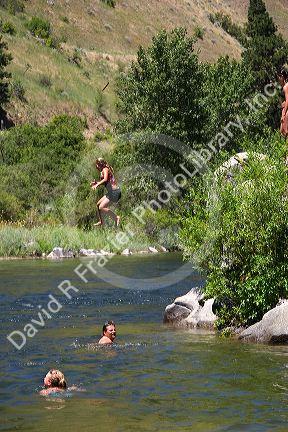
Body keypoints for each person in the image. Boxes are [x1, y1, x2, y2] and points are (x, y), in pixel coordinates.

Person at [91, 158, 121, 227]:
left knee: (101, 207)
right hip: (112, 192)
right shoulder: (103, 170)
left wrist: (97, 184)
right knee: (98, 205)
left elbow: (105, 179)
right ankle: (101, 221)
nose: (96, 167)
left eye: (97, 165)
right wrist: (97, 182)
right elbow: (106, 182)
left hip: (115, 192)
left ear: (100, 164)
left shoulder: (105, 169)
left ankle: (116, 218)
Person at [279, 67, 288, 139]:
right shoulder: (284, 86)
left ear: (282, 77)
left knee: (284, 131)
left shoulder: (286, 87)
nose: (278, 79)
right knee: (282, 131)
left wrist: (284, 113)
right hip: (284, 109)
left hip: (286, 110)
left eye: (279, 76)